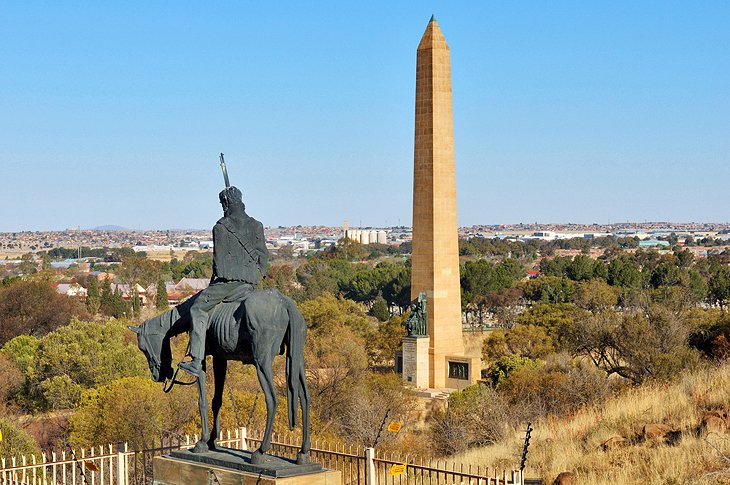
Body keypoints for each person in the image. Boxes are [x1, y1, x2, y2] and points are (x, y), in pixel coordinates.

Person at [178, 186, 268, 377]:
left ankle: (195, 360)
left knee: (197, 309)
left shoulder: (221, 227)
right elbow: (263, 256)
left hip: (229, 284)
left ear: (226, 203)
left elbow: (219, 263)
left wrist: (216, 281)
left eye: (221, 204)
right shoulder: (256, 225)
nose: (221, 207)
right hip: (251, 283)